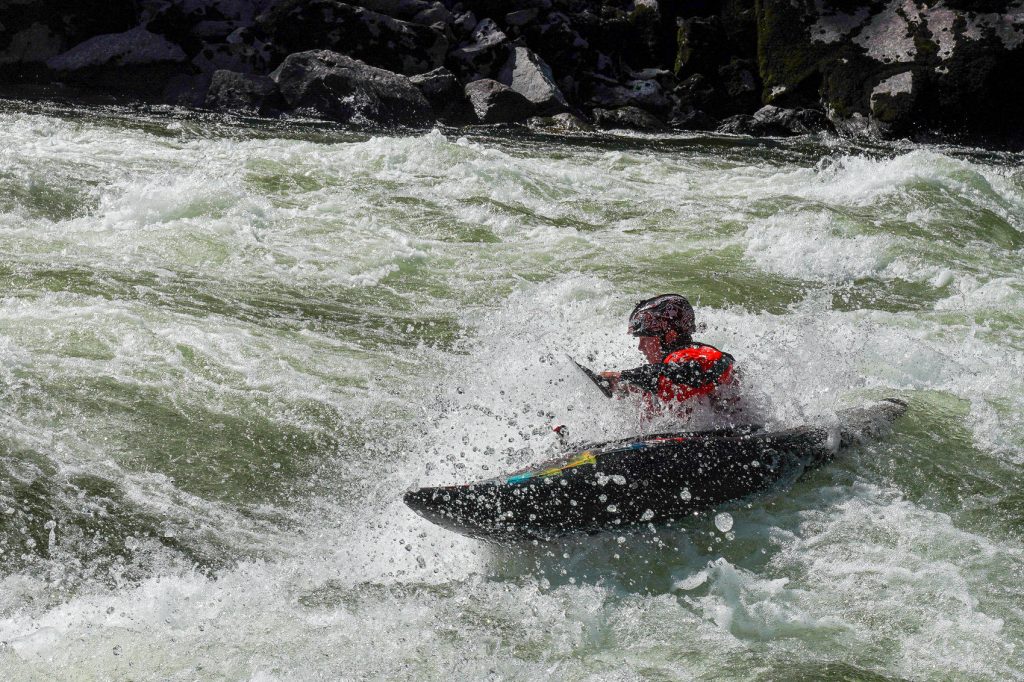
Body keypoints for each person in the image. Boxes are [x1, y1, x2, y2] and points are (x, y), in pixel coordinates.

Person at [599, 294, 743, 423]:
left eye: (645, 339)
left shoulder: (696, 355)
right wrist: (628, 389)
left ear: (669, 337)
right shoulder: (675, 365)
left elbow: (683, 372)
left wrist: (622, 377)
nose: (640, 347)